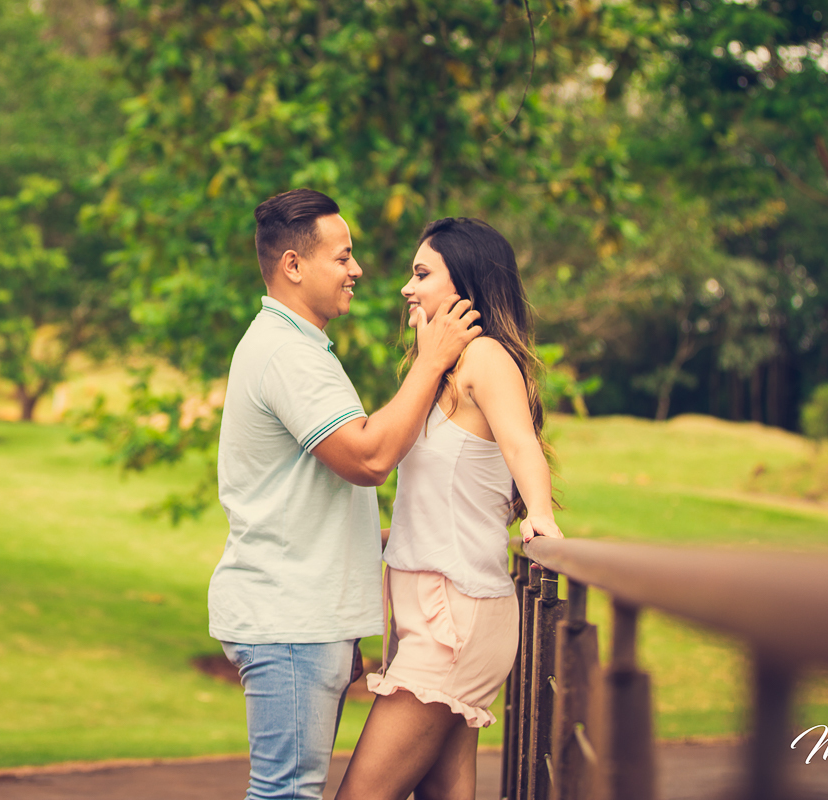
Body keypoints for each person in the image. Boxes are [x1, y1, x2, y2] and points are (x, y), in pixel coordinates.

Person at [208, 189, 482, 800]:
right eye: (344, 256)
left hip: (306, 617)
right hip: (290, 618)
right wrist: (432, 360)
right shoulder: (285, 352)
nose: (357, 270)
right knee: (286, 793)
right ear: (294, 266)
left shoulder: (301, 348)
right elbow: (368, 457)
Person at [335, 218, 564, 800]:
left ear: (466, 285)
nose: (407, 289)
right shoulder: (435, 373)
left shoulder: (484, 358)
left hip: (455, 616)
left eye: (421, 274)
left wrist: (539, 512)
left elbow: (521, 446)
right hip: (425, 614)